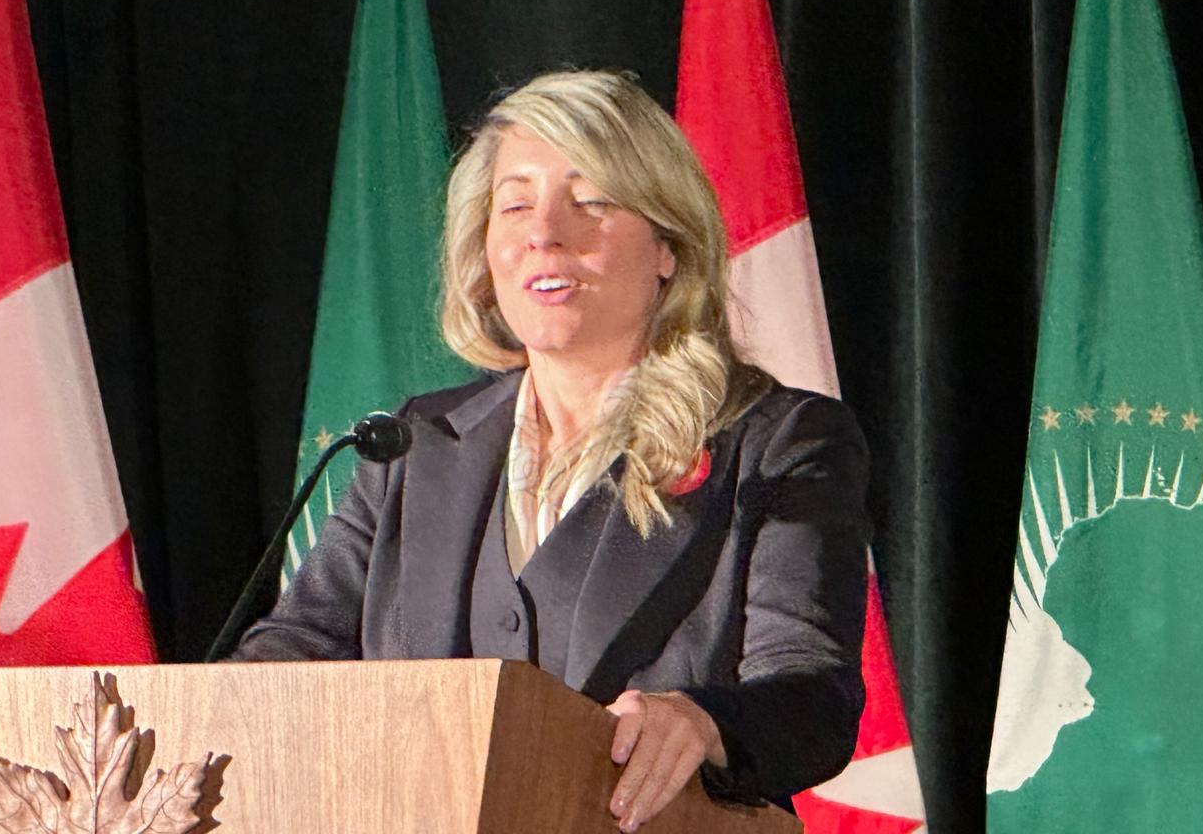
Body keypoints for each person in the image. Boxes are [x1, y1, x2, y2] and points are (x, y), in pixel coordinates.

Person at [235, 70, 869, 830]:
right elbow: (291, 655)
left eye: (590, 200)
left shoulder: (775, 442)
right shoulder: (415, 446)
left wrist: (702, 721)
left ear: (668, 246)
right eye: (515, 205)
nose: (544, 232)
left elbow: (812, 696)